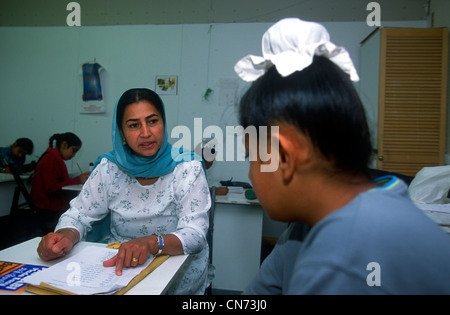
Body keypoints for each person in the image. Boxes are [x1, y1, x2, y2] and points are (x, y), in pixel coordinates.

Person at [234, 18, 450, 294]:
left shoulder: (344, 260)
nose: (250, 174)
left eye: (251, 156)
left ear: (284, 157)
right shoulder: (308, 227)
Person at [36, 88, 212, 295]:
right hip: (120, 270)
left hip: (177, 271)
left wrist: (152, 242)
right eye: (134, 125)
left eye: (153, 121)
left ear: (164, 123)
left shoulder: (187, 167)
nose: (146, 133)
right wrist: (65, 235)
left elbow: (195, 234)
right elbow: (79, 215)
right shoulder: (109, 168)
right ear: (121, 132)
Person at [31, 132, 90, 233]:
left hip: (49, 206)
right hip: (47, 208)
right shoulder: (50, 159)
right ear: (64, 145)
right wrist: (78, 180)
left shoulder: (54, 158)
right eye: (74, 150)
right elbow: (51, 188)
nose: (74, 155)